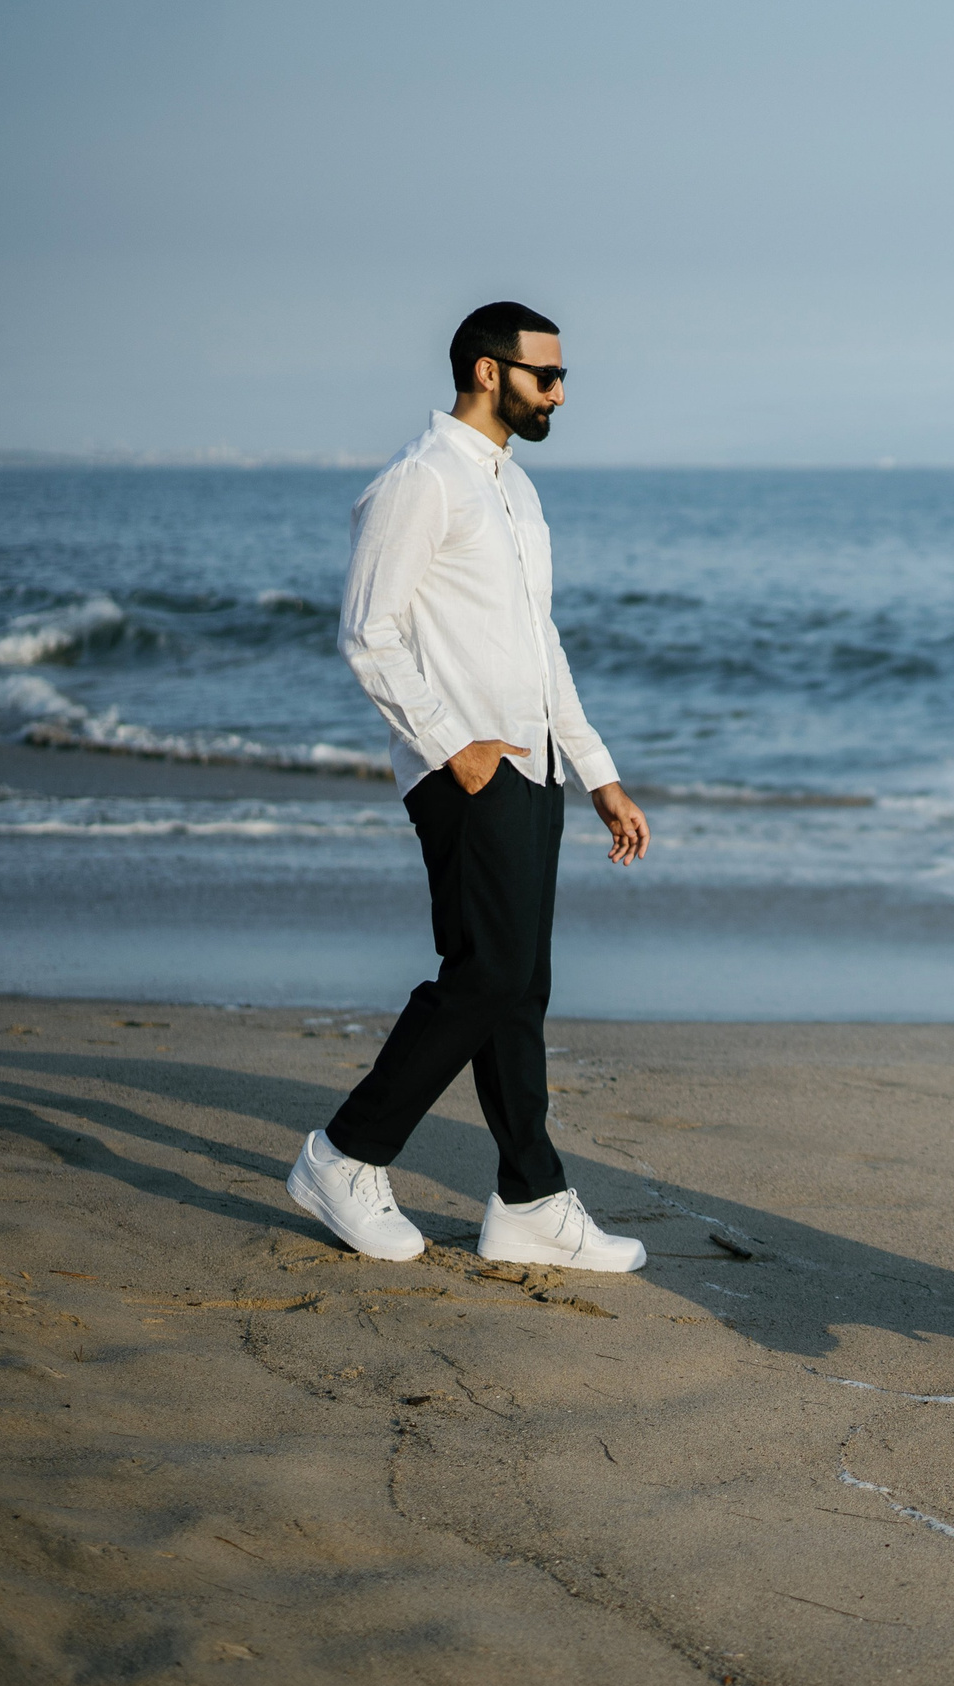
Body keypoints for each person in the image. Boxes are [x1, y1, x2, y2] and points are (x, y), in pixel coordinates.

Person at [285, 301, 650, 1273]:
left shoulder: (515, 492)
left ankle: (530, 1198)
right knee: (484, 974)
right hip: (467, 772)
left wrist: (597, 770)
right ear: (489, 371)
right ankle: (345, 1152)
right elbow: (368, 630)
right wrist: (456, 747)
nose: (561, 393)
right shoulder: (420, 482)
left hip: (535, 767)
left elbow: (541, 646)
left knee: (518, 986)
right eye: (546, 376)